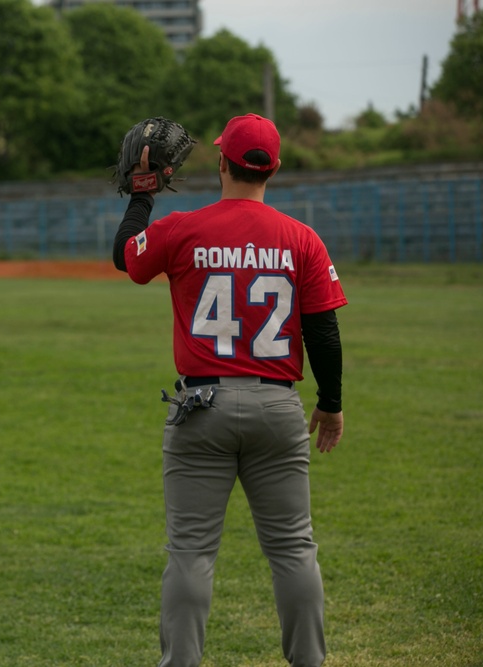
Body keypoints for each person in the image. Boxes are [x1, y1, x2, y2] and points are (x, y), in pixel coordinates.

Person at [112, 113, 347, 667]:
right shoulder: (301, 238)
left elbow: (126, 257)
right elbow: (323, 331)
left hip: (202, 407)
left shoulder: (183, 228)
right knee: (293, 550)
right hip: (277, 406)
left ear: (221, 161)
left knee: (191, 554)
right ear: (275, 168)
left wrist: (142, 196)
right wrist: (331, 404)